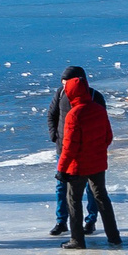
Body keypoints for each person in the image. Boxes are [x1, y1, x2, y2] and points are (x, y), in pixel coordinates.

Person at [57, 70, 122, 250]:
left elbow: (69, 147)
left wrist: (61, 169)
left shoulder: (74, 115)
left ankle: (77, 240)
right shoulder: (99, 109)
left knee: (74, 201)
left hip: (77, 167)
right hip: (98, 163)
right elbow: (108, 137)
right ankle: (114, 237)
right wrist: (97, 151)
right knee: (102, 198)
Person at [46, 66, 82, 237]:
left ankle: (90, 221)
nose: (65, 85)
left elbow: (102, 124)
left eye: (67, 82)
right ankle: (61, 221)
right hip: (63, 149)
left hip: (85, 151)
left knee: (92, 189)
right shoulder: (60, 94)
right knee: (61, 186)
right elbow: (51, 115)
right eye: (63, 82)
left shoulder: (93, 96)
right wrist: (55, 136)